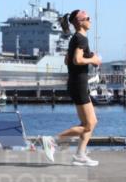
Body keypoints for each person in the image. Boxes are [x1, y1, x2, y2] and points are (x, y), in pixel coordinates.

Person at [41, 9, 101, 166]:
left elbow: (67, 60)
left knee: (89, 123)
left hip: (76, 83)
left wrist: (88, 57)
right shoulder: (81, 38)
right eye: (88, 18)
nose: (90, 20)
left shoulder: (75, 38)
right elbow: (76, 60)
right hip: (79, 84)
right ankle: (53, 141)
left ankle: (80, 154)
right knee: (89, 124)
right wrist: (93, 59)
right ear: (80, 22)